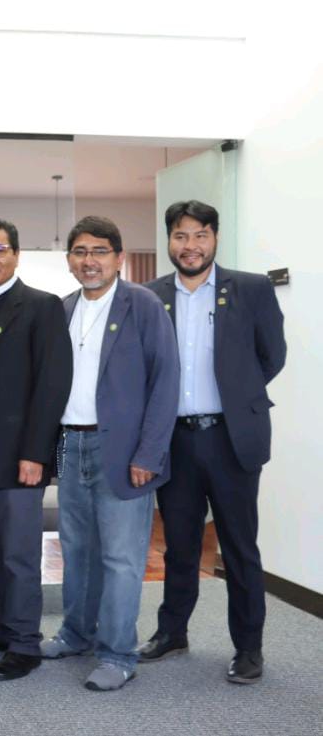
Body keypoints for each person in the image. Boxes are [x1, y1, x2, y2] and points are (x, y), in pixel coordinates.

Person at [139, 200, 286, 684]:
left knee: (239, 548)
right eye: (181, 236)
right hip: (175, 442)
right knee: (179, 546)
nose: (191, 246)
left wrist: (236, 397)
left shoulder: (251, 288)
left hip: (230, 439)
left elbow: (272, 356)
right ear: (169, 240)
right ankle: (172, 632)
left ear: (215, 238)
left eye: (200, 235)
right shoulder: (149, 296)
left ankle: (248, 648)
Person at [40, 216, 179, 691]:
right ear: (69, 260)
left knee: (120, 557)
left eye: (99, 251)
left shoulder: (143, 305)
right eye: (80, 251)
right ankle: (76, 633)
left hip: (122, 451)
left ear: (119, 258)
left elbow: (166, 382)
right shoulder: (63, 309)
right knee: (77, 550)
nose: (89, 260)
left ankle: (118, 654)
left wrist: (149, 454)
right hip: (71, 444)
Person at [0, 218, 72, 681]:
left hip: (19, 457)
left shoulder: (41, 306)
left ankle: (25, 642)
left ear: (16, 255)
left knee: (18, 556)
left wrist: (36, 453)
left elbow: (52, 383)